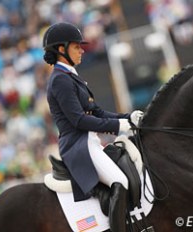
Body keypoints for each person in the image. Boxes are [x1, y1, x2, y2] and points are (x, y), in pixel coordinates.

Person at [43, 22, 143, 232]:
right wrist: (119, 126)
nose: (82, 50)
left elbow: (96, 112)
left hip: (90, 142)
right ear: (61, 49)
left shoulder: (71, 76)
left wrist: (128, 118)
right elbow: (79, 120)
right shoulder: (60, 80)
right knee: (119, 181)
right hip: (78, 146)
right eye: (76, 46)